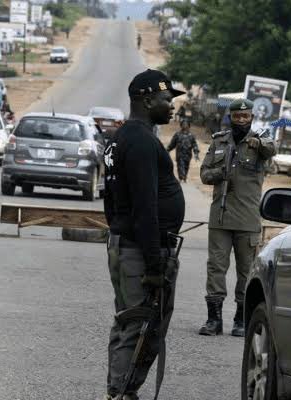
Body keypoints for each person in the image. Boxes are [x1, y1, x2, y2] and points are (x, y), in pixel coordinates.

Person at [102, 69, 185, 400]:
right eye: (167, 99)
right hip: (141, 251)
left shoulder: (125, 137)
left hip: (129, 245)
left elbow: (112, 202)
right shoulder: (139, 141)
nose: (172, 106)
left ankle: (121, 391)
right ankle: (121, 393)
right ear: (147, 99)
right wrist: (153, 264)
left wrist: (119, 231)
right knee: (138, 326)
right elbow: (144, 207)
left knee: (129, 323)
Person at [198, 99, 276, 337]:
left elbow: (271, 150)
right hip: (220, 217)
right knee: (216, 268)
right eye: (237, 116)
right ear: (230, 117)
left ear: (252, 117)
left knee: (246, 271)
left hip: (248, 219)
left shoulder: (260, 141)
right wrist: (219, 173)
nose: (241, 119)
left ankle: (241, 320)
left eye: (245, 116)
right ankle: (214, 319)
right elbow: (203, 174)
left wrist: (258, 142)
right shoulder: (219, 141)